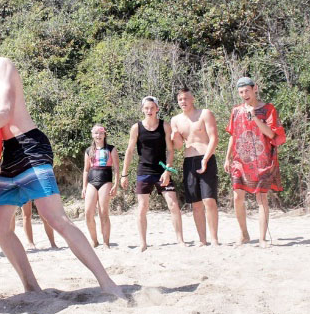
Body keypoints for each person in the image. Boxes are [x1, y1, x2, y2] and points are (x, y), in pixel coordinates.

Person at [0, 20, 122, 298]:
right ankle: (33, 289)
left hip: (29, 144)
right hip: (9, 153)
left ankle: (108, 283)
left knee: (56, 218)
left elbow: (4, 113)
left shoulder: (3, 65)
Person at [223, 77, 285, 248]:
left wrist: (255, 118)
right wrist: (227, 157)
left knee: (261, 198)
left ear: (255, 89)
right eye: (241, 92)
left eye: (247, 91)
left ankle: (262, 238)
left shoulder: (268, 109)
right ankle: (244, 234)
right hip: (240, 160)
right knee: (237, 197)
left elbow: (272, 134)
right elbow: (233, 135)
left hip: (262, 160)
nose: (245, 95)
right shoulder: (236, 111)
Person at [121, 96, 185, 252]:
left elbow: (170, 151)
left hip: (162, 169)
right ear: (142, 109)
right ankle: (143, 243)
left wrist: (168, 171)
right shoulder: (136, 127)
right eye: (146, 108)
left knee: (173, 204)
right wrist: (124, 174)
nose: (149, 111)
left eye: (152, 108)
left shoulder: (165, 126)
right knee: (142, 207)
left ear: (157, 108)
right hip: (144, 170)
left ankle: (180, 240)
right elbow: (129, 151)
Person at [170, 88, 220, 246]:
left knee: (209, 200)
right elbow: (178, 147)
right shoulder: (176, 120)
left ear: (192, 99)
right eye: (180, 99)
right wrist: (175, 137)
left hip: (206, 157)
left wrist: (206, 159)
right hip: (189, 161)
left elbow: (214, 138)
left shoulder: (205, 113)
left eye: (185, 98)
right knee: (196, 203)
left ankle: (214, 239)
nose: (183, 102)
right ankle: (202, 239)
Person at [81, 125, 119, 248]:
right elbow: (86, 170)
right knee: (88, 212)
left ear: (104, 134)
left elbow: (117, 169)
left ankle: (106, 242)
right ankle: (94, 240)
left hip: (106, 180)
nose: (98, 135)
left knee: (103, 212)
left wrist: (116, 185)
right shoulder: (88, 151)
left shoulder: (111, 149)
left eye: (100, 133)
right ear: (92, 135)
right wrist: (84, 187)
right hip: (92, 181)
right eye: (96, 133)